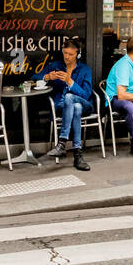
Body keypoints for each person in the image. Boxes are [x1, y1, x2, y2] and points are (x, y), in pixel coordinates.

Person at [34, 38, 94, 171]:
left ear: (78, 54)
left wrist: (70, 81)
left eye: (71, 54)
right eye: (65, 53)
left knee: (72, 99)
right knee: (74, 108)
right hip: (62, 106)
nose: (67, 57)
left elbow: (86, 95)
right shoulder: (56, 65)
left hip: (85, 105)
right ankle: (77, 155)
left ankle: (62, 143)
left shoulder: (85, 70)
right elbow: (34, 77)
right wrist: (47, 77)